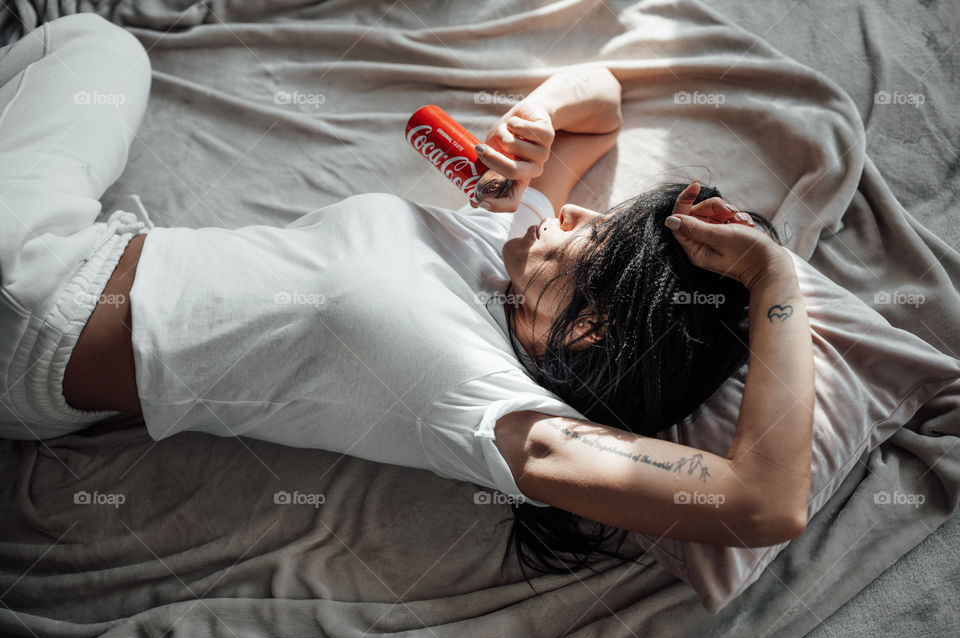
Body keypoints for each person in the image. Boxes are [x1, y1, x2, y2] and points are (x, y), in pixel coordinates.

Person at [0, 14, 813, 577]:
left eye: (591, 235)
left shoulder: (481, 397)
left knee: (86, 48)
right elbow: (600, 107)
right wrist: (538, 116)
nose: (572, 210)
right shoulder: (511, 249)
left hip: (33, 305)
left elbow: (763, 504)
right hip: (76, 261)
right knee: (95, 46)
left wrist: (776, 280)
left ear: (591, 328)